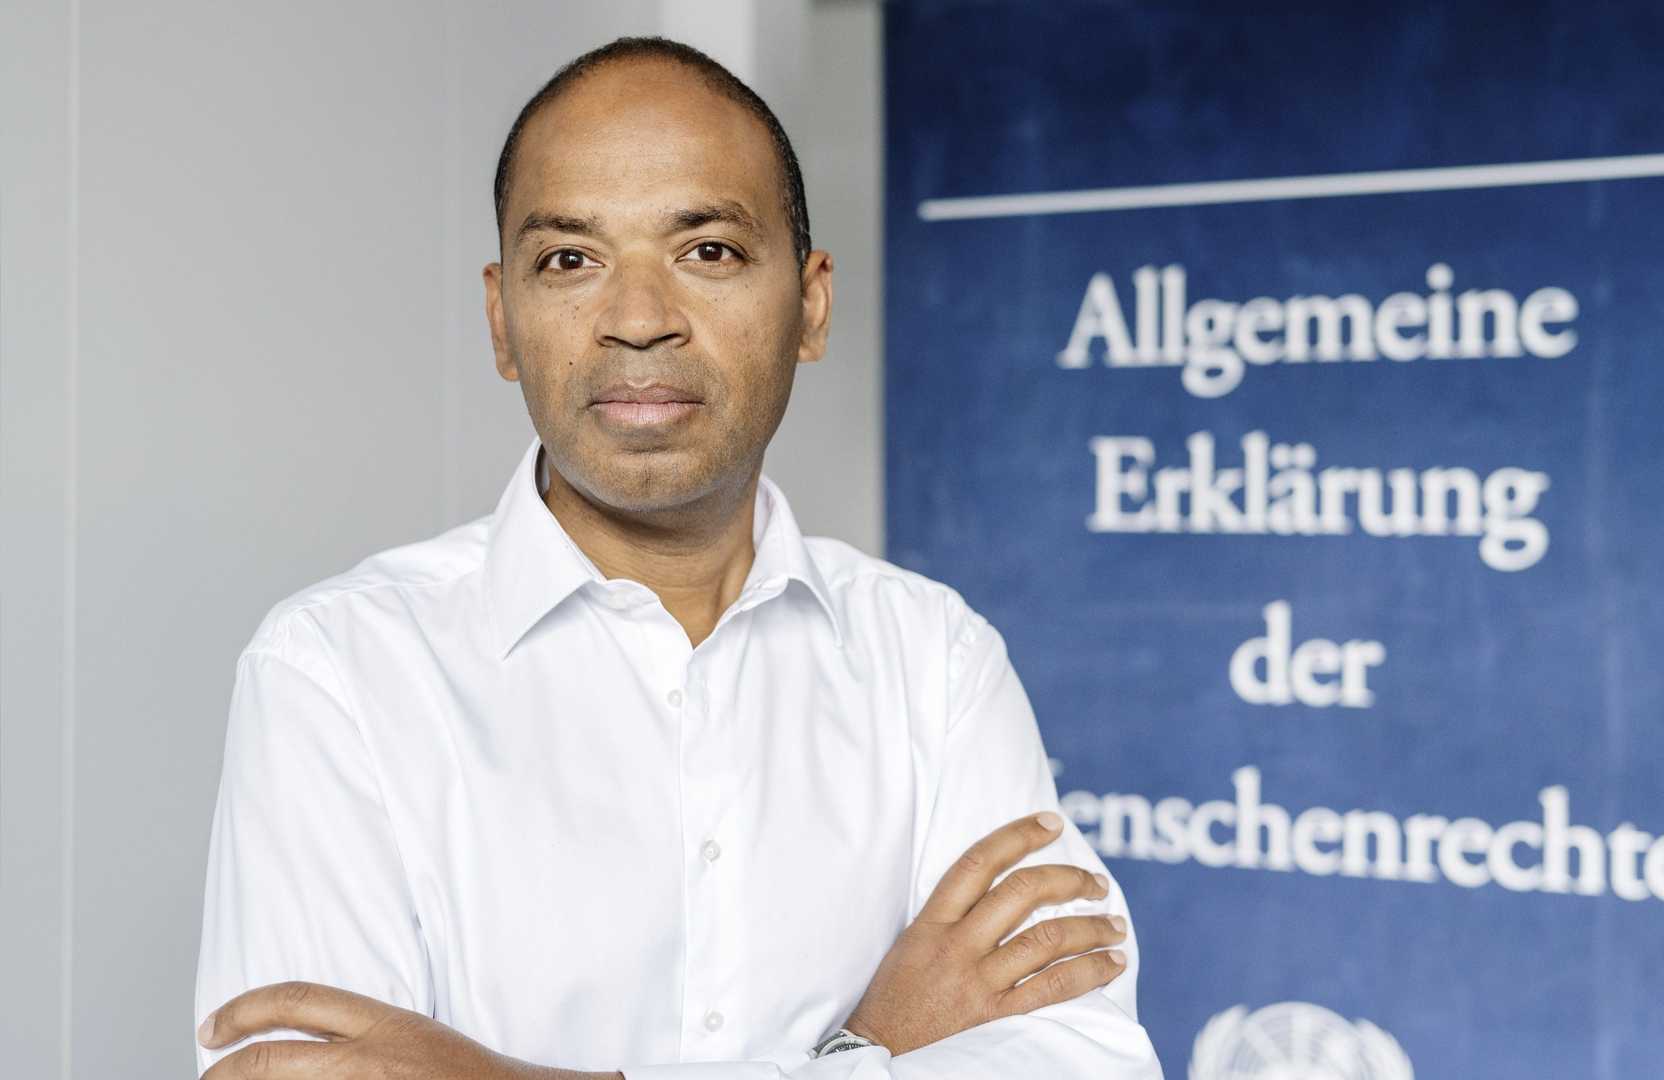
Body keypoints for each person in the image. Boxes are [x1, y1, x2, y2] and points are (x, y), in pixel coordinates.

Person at [191, 36, 1162, 1080]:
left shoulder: (935, 660)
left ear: (812, 304)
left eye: (708, 251)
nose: (639, 321)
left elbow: (1081, 1059)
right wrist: (866, 1051)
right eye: (570, 259)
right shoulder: (337, 672)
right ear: (501, 318)